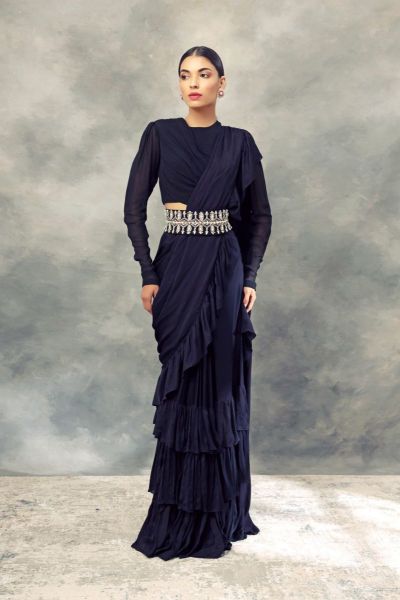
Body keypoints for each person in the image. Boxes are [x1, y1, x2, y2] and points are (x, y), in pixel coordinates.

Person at [123, 46, 272, 560]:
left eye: (204, 74)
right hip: (176, 266)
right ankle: (178, 510)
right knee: (183, 378)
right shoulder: (159, 134)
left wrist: (249, 275)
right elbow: (134, 209)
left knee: (219, 380)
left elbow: (259, 216)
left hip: (225, 268)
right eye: (185, 75)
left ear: (221, 84)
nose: (194, 83)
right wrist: (148, 272)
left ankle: (217, 512)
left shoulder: (239, 142)